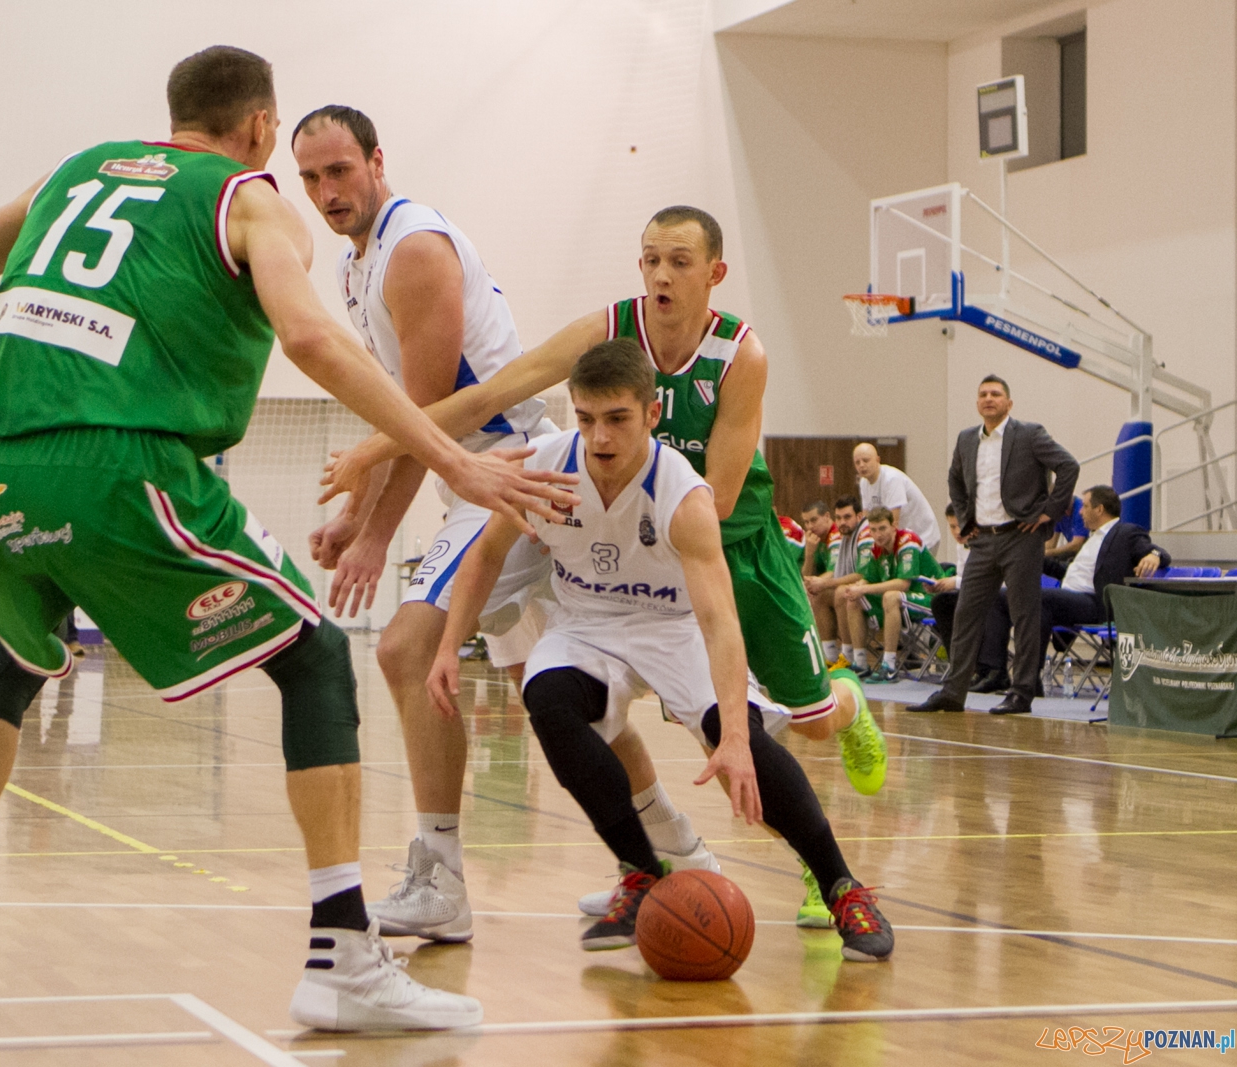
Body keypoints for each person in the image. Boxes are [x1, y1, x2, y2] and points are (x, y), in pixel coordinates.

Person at [0, 45, 579, 1033]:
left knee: (16, 656)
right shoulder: (250, 198)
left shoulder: (69, 174)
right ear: (264, 127)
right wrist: (452, 459)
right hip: (117, 465)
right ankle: (343, 959)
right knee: (315, 659)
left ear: (172, 112)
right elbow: (312, 340)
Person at [292, 107, 647, 942]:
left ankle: (441, 877)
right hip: (476, 478)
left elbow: (430, 418)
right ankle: (671, 857)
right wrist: (355, 513)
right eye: (309, 178)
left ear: (379, 160)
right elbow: (405, 414)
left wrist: (377, 534)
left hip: (511, 472)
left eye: (339, 170)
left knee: (406, 648)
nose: (325, 191)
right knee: (563, 700)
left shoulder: (413, 249)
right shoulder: (356, 262)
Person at [426, 340, 894, 962]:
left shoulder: (682, 493)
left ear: (650, 415)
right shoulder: (545, 464)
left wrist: (729, 735)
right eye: (587, 418)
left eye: (617, 418)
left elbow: (718, 622)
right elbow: (484, 556)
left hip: (676, 627)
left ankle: (842, 886)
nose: (599, 437)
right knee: (549, 699)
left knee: (745, 739)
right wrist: (447, 647)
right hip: (589, 623)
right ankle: (641, 870)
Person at [908, 376, 1078, 716]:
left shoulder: (1029, 434)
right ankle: (953, 692)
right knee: (966, 612)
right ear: (977, 402)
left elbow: (1068, 466)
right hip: (983, 539)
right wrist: (965, 518)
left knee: (1024, 615)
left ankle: (1022, 692)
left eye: (996, 394)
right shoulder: (967, 439)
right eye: (983, 394)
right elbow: (955, 479)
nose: (989, 399)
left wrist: (1048, 512)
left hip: (1021, 536)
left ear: (1009, 403)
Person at [969, 485, 1166, 694]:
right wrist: (1036, 559)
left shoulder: (1125, 532)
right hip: (1070, 597)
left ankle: (1026, 680)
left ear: (1099, 510)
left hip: (1096, 602)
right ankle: (994, 671)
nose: (1080, 511)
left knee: (1041, 600)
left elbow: (1155, 550)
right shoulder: (1093, 538)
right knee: (998, 598)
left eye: (1086, 506)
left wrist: (1154, 555)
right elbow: (1069, 573)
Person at [836, 508, 942, 682]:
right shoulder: (876, 548)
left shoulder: (908, 540)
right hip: (901, 601)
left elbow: (903, 583)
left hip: (931, 597)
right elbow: (869, 579)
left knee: (891, 596)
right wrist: (856, 587)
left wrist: (863, 589)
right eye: (873, 530)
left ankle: (889, 666)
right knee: (852, 597)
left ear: (894, 526)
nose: (878, 535)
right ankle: (860, 663)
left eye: (882, 528)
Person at [802, 496, 872, 671]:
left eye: (847, 517)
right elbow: (806, 575)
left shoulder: (853, 535)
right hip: (858, 591)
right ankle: (829, 656)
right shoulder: (839, 535)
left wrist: (821, 583)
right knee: (818, 594)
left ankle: (850, 657)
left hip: (873, 591)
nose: (810, 526)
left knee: (839, 591)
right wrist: (809, 554)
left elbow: (855, 574)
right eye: (839, 517)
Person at [854, 443, 940, 552]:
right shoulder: (863, 482)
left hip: (923, 535)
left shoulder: (892, 479)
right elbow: (867, 519)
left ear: (877, 460)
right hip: (901, 537)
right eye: (857, 462)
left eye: (866, 460)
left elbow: (894, 521)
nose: (861, 465)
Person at [922, 504, 971, 653]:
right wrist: (939, 585)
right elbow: (963, 577)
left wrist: (954, 582)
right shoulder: (961, 546)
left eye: (960, 526)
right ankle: (954, 657)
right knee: (940, 601)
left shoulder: (984, 543)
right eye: (952, 527)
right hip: (967, 594)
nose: (957, 532)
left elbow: (983, 579)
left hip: (989, 595)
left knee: (950, 604)